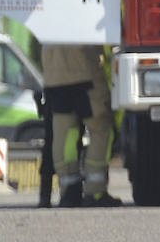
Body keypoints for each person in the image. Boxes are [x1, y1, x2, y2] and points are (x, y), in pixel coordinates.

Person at [42, 45, 121, 207]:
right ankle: (95, 191)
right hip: (86, 74)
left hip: (54, 78)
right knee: (101, 129)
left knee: (65, 135)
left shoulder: (43, 17)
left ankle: (68, 190)